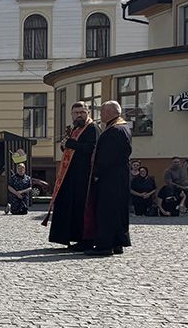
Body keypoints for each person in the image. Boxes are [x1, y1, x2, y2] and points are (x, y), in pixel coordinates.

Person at [46, 102, 98, 250]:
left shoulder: (92, 128)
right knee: (68, 206)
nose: (79, 115)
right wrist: (65, 145)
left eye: (82, 112)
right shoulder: (75, 129)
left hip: (84, 177)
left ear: (88, 112)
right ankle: (68, 237)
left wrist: (71, 144)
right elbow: (70, 149)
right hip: (70, 175)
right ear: (72, 115)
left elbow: (91, 149)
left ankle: (84, 240)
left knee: (81, 209)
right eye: (76, 113)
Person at [83, 101, 132, 256]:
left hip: (110, 178)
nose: (101, 115)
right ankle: (118, 242)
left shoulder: (115, 130)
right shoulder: (122, 127)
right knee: (117, 211)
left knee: (107, 211)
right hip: (118, 177)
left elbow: (106, 157)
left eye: (103, 111)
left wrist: (96, 172)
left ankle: (105, 245)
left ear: (111, 112)